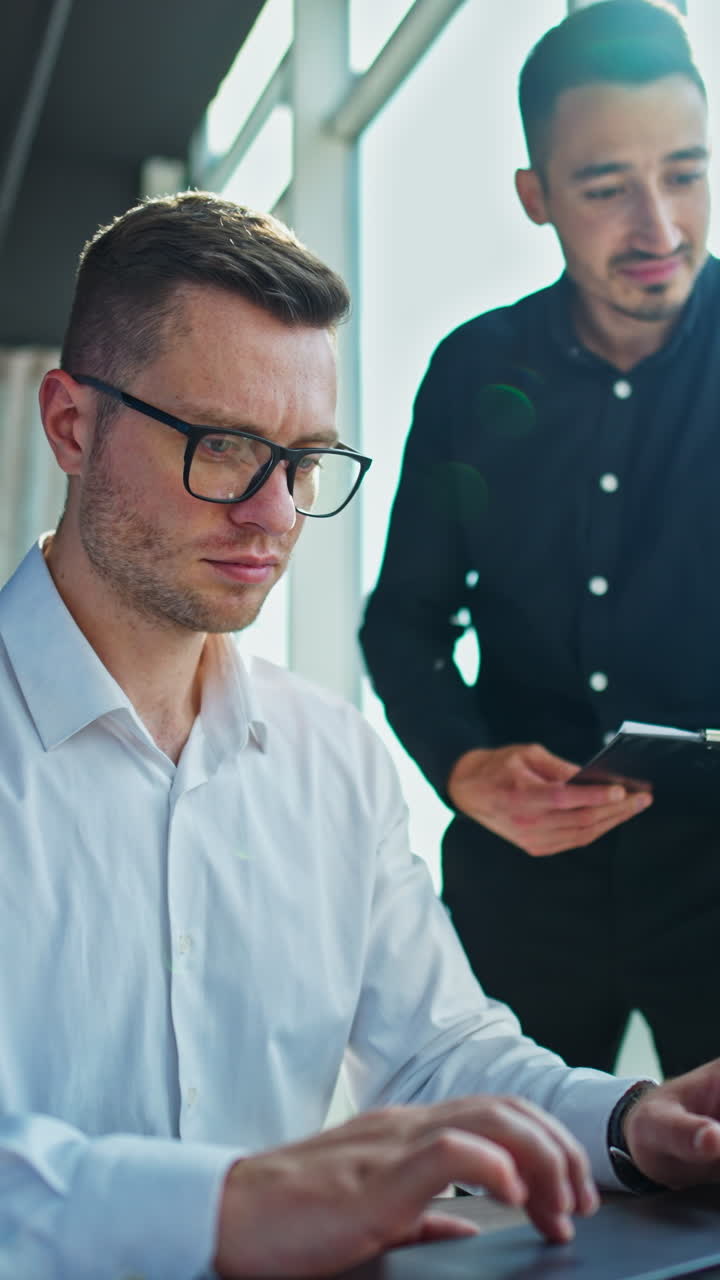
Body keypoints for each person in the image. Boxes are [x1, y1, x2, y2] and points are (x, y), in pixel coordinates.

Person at [1, 191, 720, 1280]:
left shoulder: (332, 754)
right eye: (226, 445)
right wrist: (228, 1204)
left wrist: (631, 1122)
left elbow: (441, 1053)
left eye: (304, 460)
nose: (275, 511)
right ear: (70, 423)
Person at [360, 0, 720, 1078]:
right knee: (502, 1210)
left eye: (688, 171)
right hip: (522, 886)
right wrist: (464, 765)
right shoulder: (473, 371)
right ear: (537, 197)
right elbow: (407, 621)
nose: (658, 226)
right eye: (607, 188)